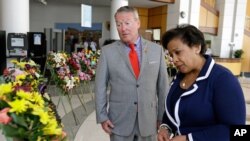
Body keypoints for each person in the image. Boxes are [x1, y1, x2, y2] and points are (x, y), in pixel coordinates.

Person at [157, 24, 246, 141]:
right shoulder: (178, 78)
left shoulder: (223, 79)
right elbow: (175, 113)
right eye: (171, 55)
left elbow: (238, 132)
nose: (174, 60)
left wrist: (189, 138)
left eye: (178, 52)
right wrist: (165, 128)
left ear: (197, 47)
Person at [95, 6, 169, 141]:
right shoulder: (107, 52)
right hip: (119, 120)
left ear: (138, 23)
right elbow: (100, 87)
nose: (123, 28)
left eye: (127, 23)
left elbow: (163, 87)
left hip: (149, 120)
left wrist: (162, 118)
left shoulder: (156, 50)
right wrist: (102, 116)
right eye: (118, 24)